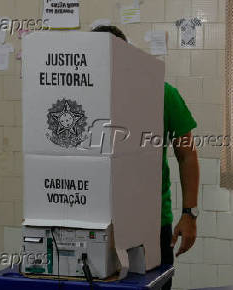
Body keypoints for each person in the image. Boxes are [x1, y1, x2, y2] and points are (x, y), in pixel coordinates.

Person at [92, 26, 200, 290]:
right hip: (94, 223)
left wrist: (189, 214)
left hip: (149, 225)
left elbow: (186, 155)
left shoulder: (162, 93)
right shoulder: (86, 96)